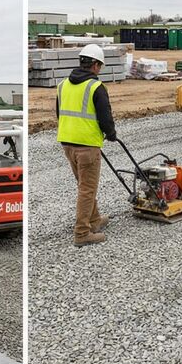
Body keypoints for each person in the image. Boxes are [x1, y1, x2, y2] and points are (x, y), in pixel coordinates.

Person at [56, 44, 116, 246]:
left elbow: (59, 113)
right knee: (87, 189)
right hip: (87, 145)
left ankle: (94, 220)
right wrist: (111, 134)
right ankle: (82, 233)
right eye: (100, 66)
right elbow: (105, 117)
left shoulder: (63, 85)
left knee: (84, 185)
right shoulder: (96, 87)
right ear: (96, 65)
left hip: (67, 143)